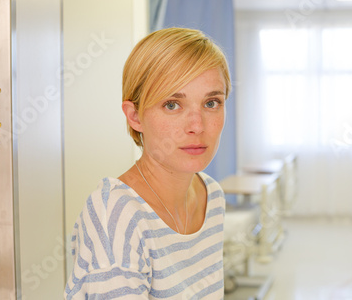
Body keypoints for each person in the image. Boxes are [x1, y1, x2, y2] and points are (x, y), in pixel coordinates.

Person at [65, 27, 231, 299]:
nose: (197, 126)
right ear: (135, 116)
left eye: (211, 103)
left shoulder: (211, 196)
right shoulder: (115, 215)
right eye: (172, 105)